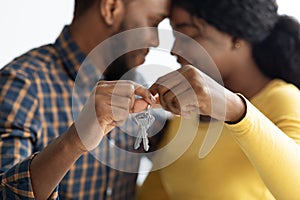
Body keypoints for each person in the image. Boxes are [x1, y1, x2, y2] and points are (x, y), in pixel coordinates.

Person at [0, 0, 170, 199]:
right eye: (153, 22)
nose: (156, 41)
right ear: (111, 8)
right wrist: (72, 143)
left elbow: (175, 152)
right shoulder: (22, 85)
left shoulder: (134, 82)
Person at [138, 0, 300, 199]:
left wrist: (235, 110)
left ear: (235, 35)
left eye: (188, 33)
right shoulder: (189, 112)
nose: (174, 50)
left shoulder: (282, 99)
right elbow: (153, 193)